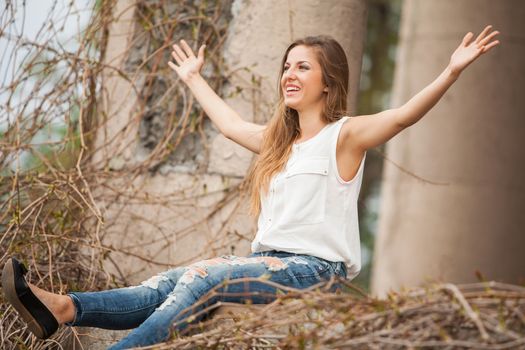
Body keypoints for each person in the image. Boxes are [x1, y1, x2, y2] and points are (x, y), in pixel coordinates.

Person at [2, 26, 499, 349]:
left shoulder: (344, 137)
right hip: (268, 264)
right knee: (166, 283)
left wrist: (451, 70)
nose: (290, 73)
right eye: (286, 65)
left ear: (328, 81)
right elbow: (228, 124)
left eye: (302, 66)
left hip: (314, 271)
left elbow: (403, 115)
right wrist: (194, 78)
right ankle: (64, 308)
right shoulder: (278, 143)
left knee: (200, 277)